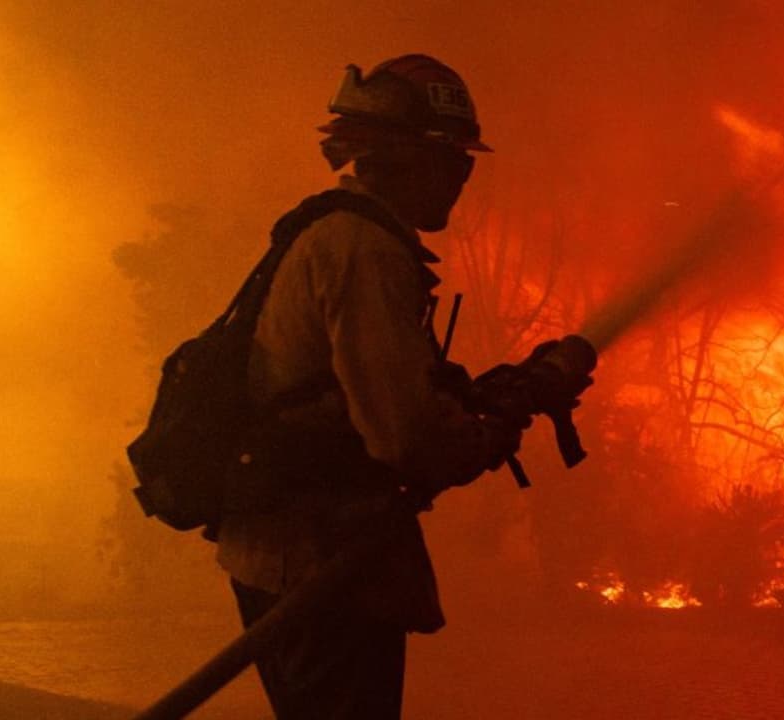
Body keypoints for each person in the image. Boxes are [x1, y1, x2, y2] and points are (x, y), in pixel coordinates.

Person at [215, 54, 519, 719]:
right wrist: (489, 432)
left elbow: (359, 395)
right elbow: (402, 438)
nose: (463, 178)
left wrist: (467, 400)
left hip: (299, 555)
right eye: (454, 159)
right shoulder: (366, 251)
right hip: (318, 567)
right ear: (405, 157)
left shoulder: (339, 231)